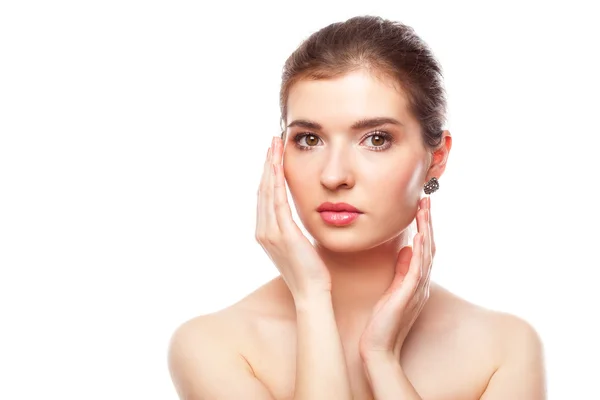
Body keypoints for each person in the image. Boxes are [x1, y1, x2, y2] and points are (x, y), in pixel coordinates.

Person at [167, 15, 546, 399]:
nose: (334, 176)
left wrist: (382, 360)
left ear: (437, 157)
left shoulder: (504, 351)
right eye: (309, 139)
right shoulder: (213, 345)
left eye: (376, 139)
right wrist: (312, 298)